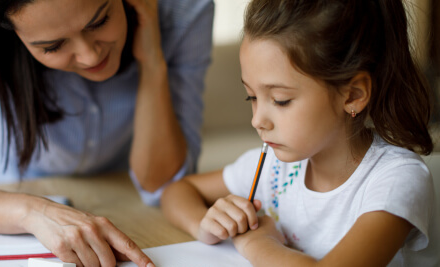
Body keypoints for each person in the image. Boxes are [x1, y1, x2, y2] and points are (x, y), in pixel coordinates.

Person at [0, 0, 213, 265]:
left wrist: (153, 61)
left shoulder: (186, 10)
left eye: (100, 20)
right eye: (52, 46)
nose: (90, 56)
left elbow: (162, 186)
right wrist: (34, 212)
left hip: (127, 200)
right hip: (18, 195)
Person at [161, 0, 440, 266]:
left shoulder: (395, 180)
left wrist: (258, 243)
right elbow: (176, 191)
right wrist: (206, 224)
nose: (257, 120)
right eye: (251, 97)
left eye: (280, 100)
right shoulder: (274, 169)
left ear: (353, 95)